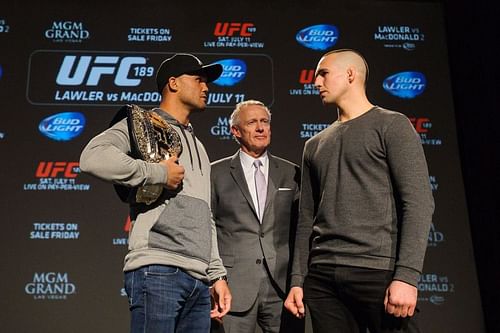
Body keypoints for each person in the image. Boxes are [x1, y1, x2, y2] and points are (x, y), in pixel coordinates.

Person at [284, 49, 435, 333]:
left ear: (350, 75)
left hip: (377, 272)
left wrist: (407, 276)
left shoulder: (391, 125)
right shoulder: (314, 145)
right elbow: (306, 218)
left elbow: (418, 203)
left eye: (323, 73)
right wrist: (296, 279)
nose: (316, 82)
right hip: (323, 277)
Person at [80, 53, 231, 333]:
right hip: (158, 268)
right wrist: (158, 173)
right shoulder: (142, 125)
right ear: (173, 83)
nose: (206, 87)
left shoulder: (199, 146)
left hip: (199, 279)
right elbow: (92, 157)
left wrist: (216, 274)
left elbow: (205, 214)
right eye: (198, 80)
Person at [210, 100, 304, 333]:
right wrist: (215, 279)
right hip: (233, 289)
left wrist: (298, 281)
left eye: (265, 122)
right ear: (235, 131)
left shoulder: (292, 173)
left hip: (283, 289)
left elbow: (301, 231)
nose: (261, 128)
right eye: (252, 122)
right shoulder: (215, 173)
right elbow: (206, 228)